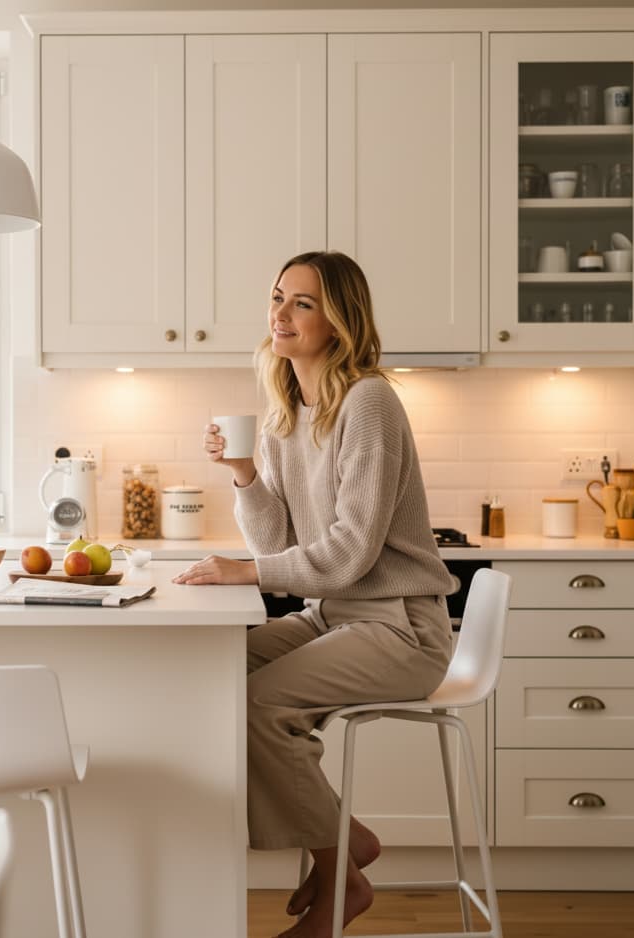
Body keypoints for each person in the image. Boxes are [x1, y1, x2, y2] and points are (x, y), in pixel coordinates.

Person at [173, 250, 455, 938]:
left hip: (399, 629)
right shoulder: (286, 413)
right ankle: (345, 840)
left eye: (302, 302)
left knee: (257, 707)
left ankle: (338, 880)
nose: (280, 313)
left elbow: (349, 552)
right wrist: (243, 473)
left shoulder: (368, 401)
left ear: (339, 318)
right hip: (330, 616)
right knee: (209, 675)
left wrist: (242, 573)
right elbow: (278, 546)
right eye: (277, 297)